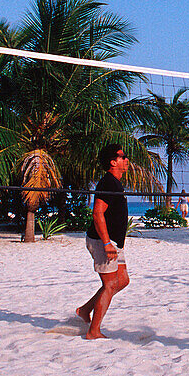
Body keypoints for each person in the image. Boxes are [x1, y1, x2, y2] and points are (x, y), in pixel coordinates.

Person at [77, 144, 131, 339]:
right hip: (103, 241)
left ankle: (84, 310)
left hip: (114, 241)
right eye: (122, 156)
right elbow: (97, 213)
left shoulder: (115, 182)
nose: (127, 159)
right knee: (109, 285)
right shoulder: (108, 182)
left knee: (122, 280)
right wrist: (107, 243)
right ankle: (93, 331)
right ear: (113, 161)